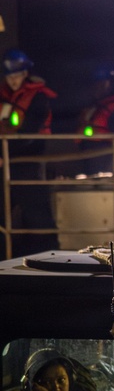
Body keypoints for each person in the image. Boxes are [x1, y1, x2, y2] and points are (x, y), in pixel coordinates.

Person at [0, 49, 59, 256]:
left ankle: (49, 257)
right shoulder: (3, 96)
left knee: (37, 215)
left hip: (28, 162)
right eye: (9, 76)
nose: (13, 80)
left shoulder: (39, 97)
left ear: (25, 73)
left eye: (16, 75)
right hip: (4, 163)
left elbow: (31, 133)